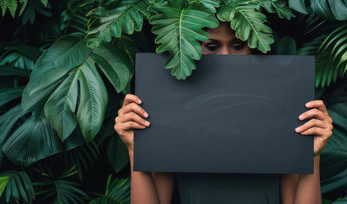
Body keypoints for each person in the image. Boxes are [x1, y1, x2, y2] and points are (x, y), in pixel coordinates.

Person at [114, 22, 333, 204]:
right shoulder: (172, 116)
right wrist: (136, 150)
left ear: (253, 49)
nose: (226, 57)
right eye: (211, 46)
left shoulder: (280, 116)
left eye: (237, 46)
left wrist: (311, 156)